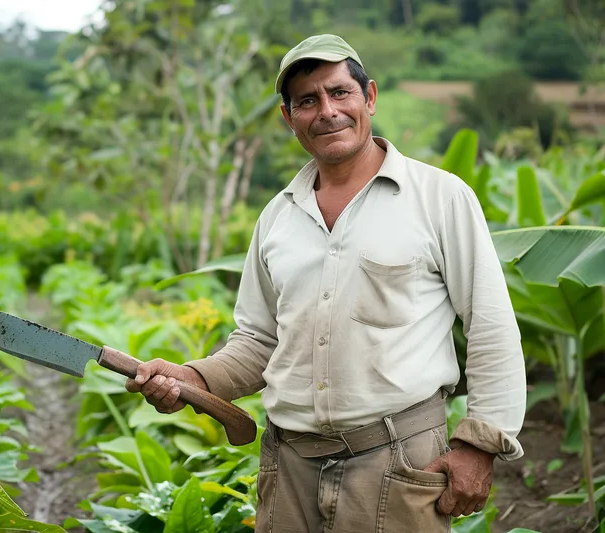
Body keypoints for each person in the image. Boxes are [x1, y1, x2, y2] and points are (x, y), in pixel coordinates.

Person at [125, 34, 526, 533]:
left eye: (340, 93)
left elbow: (490, 324)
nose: (327, 111)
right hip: (288, 468)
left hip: (399, 462)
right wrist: (194, 379)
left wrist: (479, 445)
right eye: (307, 101)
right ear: (288, 118)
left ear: (370, 97)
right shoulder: (277, 218)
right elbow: (259, 341)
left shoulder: (440, 198)